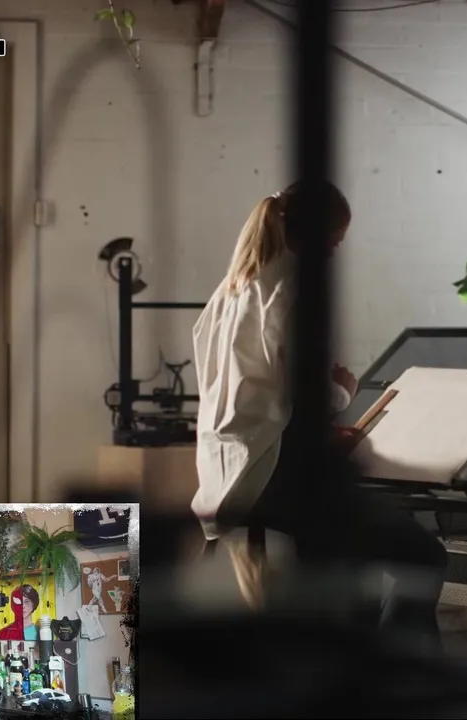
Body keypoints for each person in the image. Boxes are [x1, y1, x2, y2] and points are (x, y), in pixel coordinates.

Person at [192, 180, 448, 645]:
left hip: (226, 479)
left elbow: (252, 395)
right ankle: (400, 668)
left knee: (359, 557)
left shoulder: (230, 290)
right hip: (277, 481)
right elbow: (306, 392)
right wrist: (342, 391)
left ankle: (352, 658)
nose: (332, 255)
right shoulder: (294, 289)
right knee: (424, 554)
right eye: (333, 244)